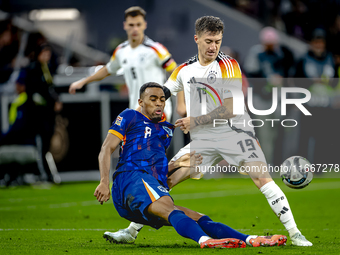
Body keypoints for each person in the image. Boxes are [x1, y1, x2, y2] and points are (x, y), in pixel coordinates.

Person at [111, 16, 312, 247]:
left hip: (236, 135)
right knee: (162, 180)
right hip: (203, 142)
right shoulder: (184, 70)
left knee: (262, 178)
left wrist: (195, 120)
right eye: (208, 41)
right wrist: (137, 117)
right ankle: (131, 232)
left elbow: (232, 107)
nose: (213, 46)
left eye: (217, 41)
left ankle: (296, 233)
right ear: (197, 39)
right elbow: (159, 95)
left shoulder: (229, 65)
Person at [94, 82, 287, 248]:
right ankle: (204, 241)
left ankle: (251, 239)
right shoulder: (130, 116)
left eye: (162, 99)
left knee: (200, 218)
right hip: (130, 180)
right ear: (141, 102)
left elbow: (155, 169)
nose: (159, 103)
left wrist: (179, 163)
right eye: (153, 99)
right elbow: (106, 149)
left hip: (140, 193)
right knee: (171, 209)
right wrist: (104, 182)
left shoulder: (165, 130)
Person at [69, 6, 176, 120]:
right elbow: (107, 70)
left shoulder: (156, 49)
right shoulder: (121, 51)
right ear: (125, 25)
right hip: (136, 111)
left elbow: (176, 73)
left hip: (157, 112)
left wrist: (181, 102)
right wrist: (84, 81)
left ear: (144, 25)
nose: (135, 29)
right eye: (131, 25)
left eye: (138, 25)